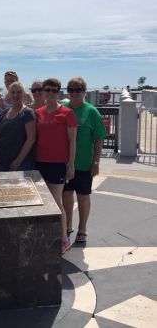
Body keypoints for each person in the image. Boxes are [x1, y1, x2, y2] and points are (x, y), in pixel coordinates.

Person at [62, 77, 107, 244]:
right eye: (71, 89)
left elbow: (99, 138)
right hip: (65, 163)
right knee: (66, 195)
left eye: (78, 90)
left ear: (84, 92)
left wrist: (96, 162)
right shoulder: (63, 108)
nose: (74, 93)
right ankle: (67, 226)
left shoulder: (91, 112)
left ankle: (82, 228)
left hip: (84, 163)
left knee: (83, 196)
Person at [35, 78, 77, 255]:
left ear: (59, 92)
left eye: (54, 90)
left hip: (58, 163)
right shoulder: (38, 112)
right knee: (42, 202)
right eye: (47, 90)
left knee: (56, 201)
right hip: (40, 163)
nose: (50, 93)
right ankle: (46, 234)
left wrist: (71, 165)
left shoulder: (67, 113)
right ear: (43, 92)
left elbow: (72, 141)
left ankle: (64, 238)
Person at [0, 81, 36, 171]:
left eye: (19, 92)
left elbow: (31, 139)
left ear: (23, 94)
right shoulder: (4, 113)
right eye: (13, 92)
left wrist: (18, 161)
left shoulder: (27, 113)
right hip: (1, 162)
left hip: (21, 165)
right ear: (8, 94)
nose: (15, 95)